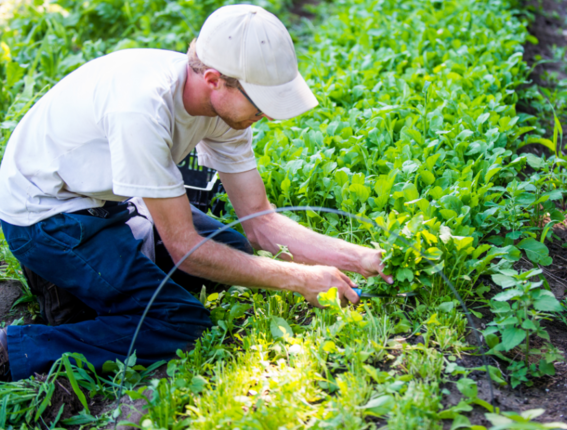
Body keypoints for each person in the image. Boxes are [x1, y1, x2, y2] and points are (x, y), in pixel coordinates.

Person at [0, 4, 393, 382]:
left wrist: (356, 257)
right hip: (48, 217)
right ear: (213, 80)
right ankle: (19, 347)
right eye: (261, 104)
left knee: (236, 251)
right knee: (183, 325)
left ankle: (105, 289)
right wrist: (302, 279)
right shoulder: (143, 110)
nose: (269, 115)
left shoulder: (224, 109)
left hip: (111, 200)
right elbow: (186, 251)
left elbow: (261, 222)